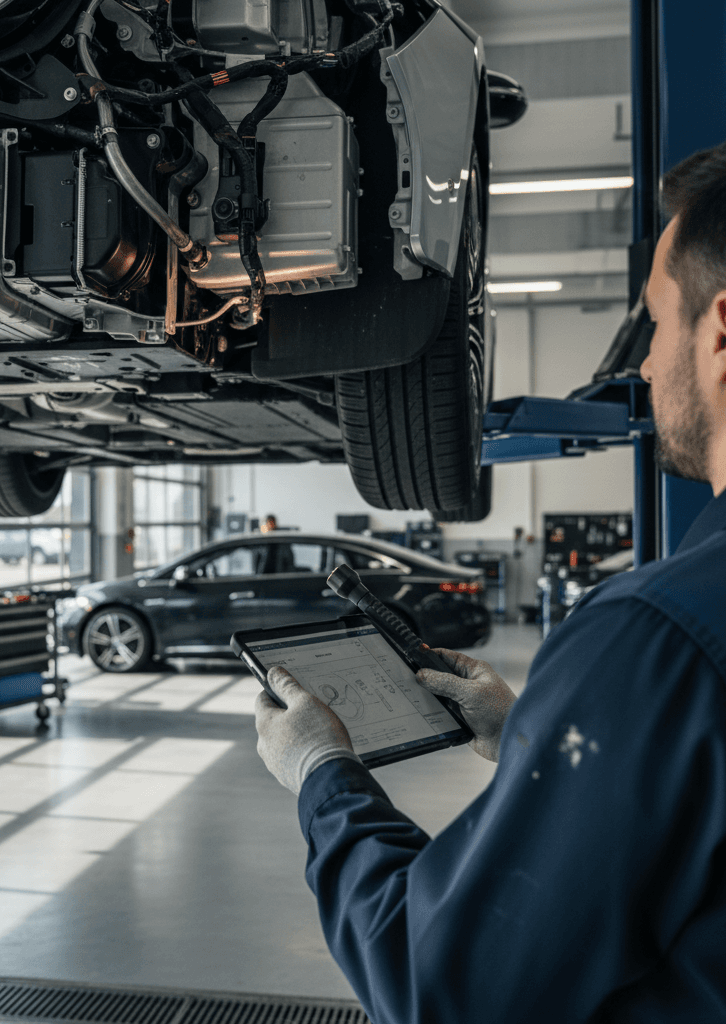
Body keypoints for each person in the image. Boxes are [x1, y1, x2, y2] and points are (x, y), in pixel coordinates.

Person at [255, 143, 726, 1023]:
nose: (647, 369)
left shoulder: (656, 638)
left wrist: (323, 774)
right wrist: (528, 734)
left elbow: (446, 985)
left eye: (658, 325)